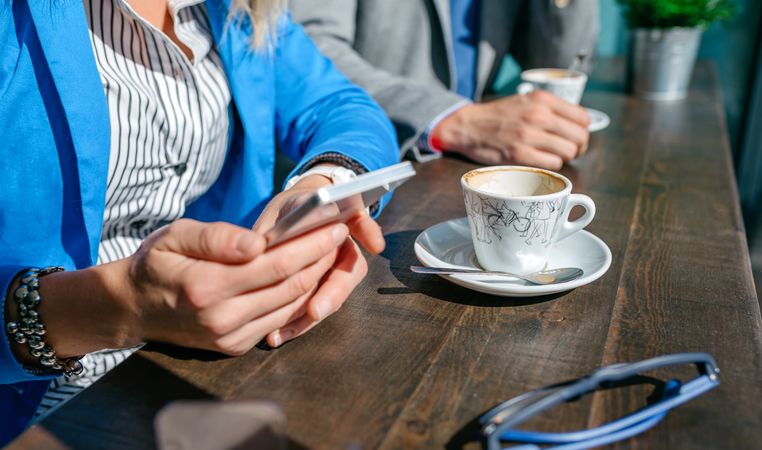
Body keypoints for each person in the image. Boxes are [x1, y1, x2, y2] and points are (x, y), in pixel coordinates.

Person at [0, 0, 398, 444]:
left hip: (205, 371)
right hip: (32, 413)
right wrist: (110, 306)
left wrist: (319, 191)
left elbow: (340, 106)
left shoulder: (235, 8)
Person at [290, 0, 599, 169]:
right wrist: (454, 120)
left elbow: (561, 65)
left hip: (477, 165)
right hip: (372, 166)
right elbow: (306, 50)